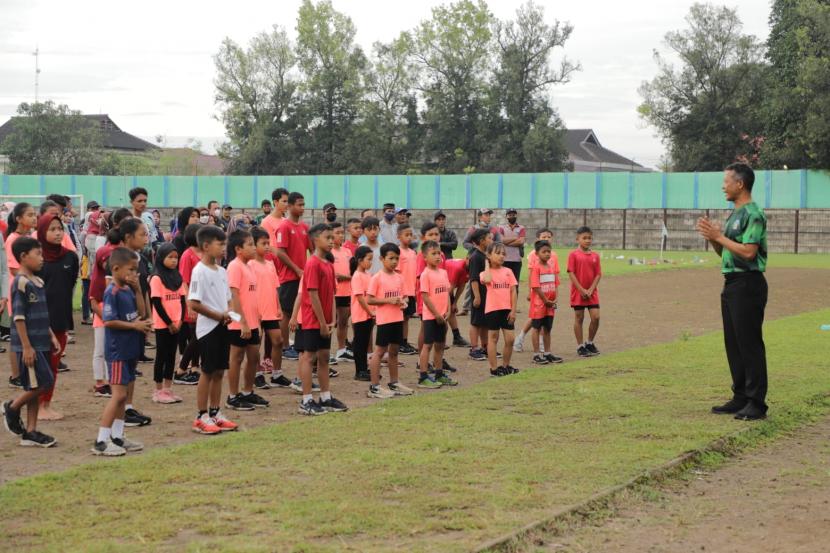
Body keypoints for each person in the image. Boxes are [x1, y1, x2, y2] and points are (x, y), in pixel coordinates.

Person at [696, 162, 769, 421]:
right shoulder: (735, 214)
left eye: (726, 181)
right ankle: (740, 396)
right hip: (732, 284)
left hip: (748, 284)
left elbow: (749, 252)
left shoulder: (754, 214)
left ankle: (756, 403)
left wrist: (720, 236)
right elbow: (725, 252)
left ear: (740, 184)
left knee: (749, 343)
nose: (723, 186)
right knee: (734, 343)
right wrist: (714, 239)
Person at [91, 247, 153, 456]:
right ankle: (101, 440)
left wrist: (137, 290)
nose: (135, 274)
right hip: (117, 351)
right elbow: (108, 321)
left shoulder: (128, 289)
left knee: (123, 395)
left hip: (130, 349)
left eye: (136, 270)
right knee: (118, 396)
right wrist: (134, 326)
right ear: (116, 269)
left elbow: (142, 312)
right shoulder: (112, 291)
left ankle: (117, 436)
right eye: (131, 270)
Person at [2, 237, 60, 447]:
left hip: (42, 342)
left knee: (37, 385)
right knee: (43, 383)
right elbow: (18, 317)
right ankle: (12, 407)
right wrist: (26, 346)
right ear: (24, 257)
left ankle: (31, 432)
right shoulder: (20, 282)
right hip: (30, 346)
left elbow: (42, 314)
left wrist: (51, 335)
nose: (42, 258)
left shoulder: (39, 281)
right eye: (38, 254)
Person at [188, 225, 238, 435]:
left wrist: (230, 313)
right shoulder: (199, 271)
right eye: (220, 244)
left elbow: (228, 299)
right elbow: (194, 303)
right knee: (207, 372)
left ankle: (216, 412)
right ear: (206, 246)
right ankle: (201, 416)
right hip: (208, 328)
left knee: (219, 371)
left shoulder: (222, 271)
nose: (224, 248)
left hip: (223, 326)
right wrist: (219, 316)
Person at [295, 224, 348, 415]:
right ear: (316, 240)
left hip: (326, 321)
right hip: (312, 320)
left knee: (325, 357)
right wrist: (322, 322)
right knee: (310, 358)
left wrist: (331, 319)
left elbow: (332, 294)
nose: (332, 241)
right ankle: (306, 400)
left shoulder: (328, 264)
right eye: (328, 237)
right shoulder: (312, 263)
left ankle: (326, 397)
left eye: (332, 237)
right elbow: (313, 295)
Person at [36, 214, 79, 420]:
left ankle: (46, 403)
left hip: (61, 318)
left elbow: (69, 285)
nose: (57, 232)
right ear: (42, 232)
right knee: (39, 365)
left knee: (54, 364)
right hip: (39, 321)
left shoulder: (70, 257)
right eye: (52, 229)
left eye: (59, 228)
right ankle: (36, 405)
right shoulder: (37, 259)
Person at [115, 218, 155, 422]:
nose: (146, 238)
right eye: (142, 234)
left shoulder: (138, 259)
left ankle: (128, 407)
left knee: (132, 368)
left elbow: (142, 289)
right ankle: (120, 413)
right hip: (123, 324)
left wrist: (147, 316)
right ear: (128, 237)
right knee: (122, 374)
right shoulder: (117, 260)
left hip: (137, 320)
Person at [226, 229, 268, 411]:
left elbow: (252, 296)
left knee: (253, 357)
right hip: (239, 323)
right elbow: (233, 295)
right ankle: (233, 396)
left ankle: (248, 392)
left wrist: (256, 321)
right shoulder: (234, 266)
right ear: (238, 249)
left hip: (252, 323)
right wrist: (242, 322)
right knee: (236, 358)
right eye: (250, 244)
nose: (253, 248)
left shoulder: (250, 266)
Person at [366, 243, 413, 399]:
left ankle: (394, 383)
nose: (394, 261)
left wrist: (404, 302)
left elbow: (405, 296)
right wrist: (388, 301)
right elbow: (370, 300)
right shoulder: (377, 278)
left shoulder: (400, 277)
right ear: (382, 259)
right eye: (391, 258)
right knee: (379, 352)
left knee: (394, 352)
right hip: (384, 321)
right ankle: (374, 387)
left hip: (397, 320)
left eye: (397, 258)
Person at [248, 227, 288, 388]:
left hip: (271, 310)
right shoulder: (249, 264)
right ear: (253, 244)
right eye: (263, 243)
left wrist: (278, 307)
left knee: (278, 341)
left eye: (268, 243)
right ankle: (257, 374)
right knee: (255, 344)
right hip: (256, 311)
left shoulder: (270, 264)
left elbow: (275, 287)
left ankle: (276, 374)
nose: (266, 246)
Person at [274, 192, 311, 361]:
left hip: (303, 276)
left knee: (302, 310)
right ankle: (284, 346)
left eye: (303, 204)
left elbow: (311, 248)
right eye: (299, 204)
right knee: (287, 312)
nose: (302, 208)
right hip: (289, 277)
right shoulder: (284, 227)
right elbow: (280, 252)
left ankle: (298, 345)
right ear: (289, 206)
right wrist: (296, 269)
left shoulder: (304, 227)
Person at [149, 243, 187, 405]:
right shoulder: (157, 278)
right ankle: (158, 390)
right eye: (169, 257)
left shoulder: (177, 277)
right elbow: (157, 303)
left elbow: (183, 301)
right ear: (161, 258)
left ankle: (167, 388)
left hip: (177, 323)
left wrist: (180, 321)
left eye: (176, 257)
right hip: (163, 324)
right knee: (161, 356)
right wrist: (169, 322)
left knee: (172, 356)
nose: (173, 261)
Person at [5, 202, 38, 388]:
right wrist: (32, 278)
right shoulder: (13, 240)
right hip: (18, 291)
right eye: (30, 214)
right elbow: (12, 267)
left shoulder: (27, 238)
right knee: (17, 335)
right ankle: (16, 375)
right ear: (18, 219)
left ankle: (23, 372)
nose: (34, 218)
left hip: (26, 289)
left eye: (35, 214)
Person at [418, 240, 457, 389]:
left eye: (438, 253)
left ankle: (439, 374)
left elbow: (447, 292)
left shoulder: (443, 272)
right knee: (427, 346)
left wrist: (447, 310)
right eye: (433, 253)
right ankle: (423, 377)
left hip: (443, 316)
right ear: (425, 257)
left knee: (440, 346)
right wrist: (436, 314)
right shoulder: (425, 275)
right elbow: (426, 297)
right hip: (431, 317)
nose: (437, 256)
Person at [515, 228, 557, 354]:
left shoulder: (553, 255)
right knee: (535, 319)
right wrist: (530, 291)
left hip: (549, 293)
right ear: (538, 239)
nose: (547, 239)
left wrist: (555, 295)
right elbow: (531, 275)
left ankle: (542, 345)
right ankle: (522, 338)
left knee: (545, 320)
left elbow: (555, 275)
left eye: (549, 237)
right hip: (538, 294)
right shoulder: (534, 254)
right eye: (544, 237)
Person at [481, 242, 518, 376]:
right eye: (497, 253)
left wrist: (513, 310)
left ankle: (506, 366)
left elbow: (513, 291)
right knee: (493, 339)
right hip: (493, 310)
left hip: (507, 310)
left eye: (503, 253)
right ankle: (494, 369)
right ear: (489, 255)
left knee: (510, 339)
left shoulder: (508, 271)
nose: (501, 256)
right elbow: (487, 279)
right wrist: (487, 263)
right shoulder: (485, 272)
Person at [261, 188, 289, 361]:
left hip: (285, 271)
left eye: (287, 201)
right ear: (275, 202)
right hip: (274, 270)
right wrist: (285, 260)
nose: (286, 204)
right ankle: (266, 357)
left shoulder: (286, 222)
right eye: (284, 201)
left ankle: (276, 353)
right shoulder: (267, 222)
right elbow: (270, 248)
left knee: (280, 311)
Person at [174, 223, 202, 385]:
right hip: (192, 299)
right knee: (196, 335)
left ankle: (194, 368)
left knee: (198, 335)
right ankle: (182, 369)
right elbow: (184, 281)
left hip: (202, 300)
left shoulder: (204, 253)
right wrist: (189, 303)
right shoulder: (187, 255)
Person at [567, 226, 602, 358]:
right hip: (578, 293)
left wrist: (591, 289)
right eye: (584, 238)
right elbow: (571, 273)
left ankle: (589, 342)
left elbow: (598, 274)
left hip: (592, 293)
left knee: (596, 317)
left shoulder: (595, 256)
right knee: (579, 318)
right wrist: (581, 290)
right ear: (578, 239)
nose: (587, 240)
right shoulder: (573, 255)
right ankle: (580, 346)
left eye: (589, 238)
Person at [528, 240, 560, 365]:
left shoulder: (551, 267)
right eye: (544, 252)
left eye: (549, 251)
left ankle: (547, 353)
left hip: (550, 305)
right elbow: (535, 286)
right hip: (539, 305)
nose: (547, 254)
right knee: (536, 328)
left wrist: (555, 298)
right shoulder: (536, 268)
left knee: (547, 328)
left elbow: (556, 284)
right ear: (537, 253)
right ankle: (536, 354)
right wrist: (545, 300)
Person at [467, 228, 493, 361]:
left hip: (487, 295)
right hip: (479, 294)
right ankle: (474, 348)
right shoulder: (476, 257)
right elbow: (474, 279)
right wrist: (477, 296)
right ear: (482, 241)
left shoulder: (485, 255)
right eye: (489, 238)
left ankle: (485, 347)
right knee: (476, 322)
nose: (491, 240)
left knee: (485, 322)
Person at [349, 246, 374, 381]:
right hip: (360, 315)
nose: (370, 263)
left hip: (369, 315)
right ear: (359, 260)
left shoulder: (368, 275)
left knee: (364, 343)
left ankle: (364, 369)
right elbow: (360, 298)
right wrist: (370, 311)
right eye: (368, 259)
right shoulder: (357, 276)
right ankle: (359, 371)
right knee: (359, 344)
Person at [330, 223, 354, 363]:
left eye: (341, 232)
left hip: (346, 291)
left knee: (343, 322)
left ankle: (341, 350)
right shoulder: (329, 253)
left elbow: (352, 269)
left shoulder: (347, 252)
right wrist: (348, 277)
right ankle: (325, 351)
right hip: (334, 292)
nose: (341, 235)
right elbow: (334, 274)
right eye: (337, 232)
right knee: (330, 322)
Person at [396, 224, 418, 356]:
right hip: (403, 291)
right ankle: (399, 343)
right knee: (401, 318)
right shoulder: (398, 253)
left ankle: (404, 342)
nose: (409, 237)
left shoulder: (413, 252)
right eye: (406, 235)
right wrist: (401, 292)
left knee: (407, 317)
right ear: (399, 237)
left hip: (412, 290)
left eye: (411, 235)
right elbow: (397, 274)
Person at [497, 208, 525, 286]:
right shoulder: (501, 228)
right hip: (504, 259)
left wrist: (506, 243)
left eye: (513, 215)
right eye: (510, 215)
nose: (512, 216)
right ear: (506, 216)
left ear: (516, 216)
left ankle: (514, 298)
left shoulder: (521, 228)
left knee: (515, 284)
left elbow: (521, 241)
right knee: (504, 283)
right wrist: (516, 238)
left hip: (517, 260)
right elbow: (501, 240)